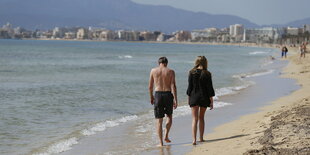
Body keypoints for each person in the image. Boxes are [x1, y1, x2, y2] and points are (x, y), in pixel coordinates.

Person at [148, 57, 178, 147]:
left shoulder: (153, 71)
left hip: (158, 95)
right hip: (168, 95)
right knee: (169, 116)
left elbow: (150, 86)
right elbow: (174, 86)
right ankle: (166, 135)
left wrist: (151, 97)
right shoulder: (171, 71)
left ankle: (161, 143)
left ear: (159, 63)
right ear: (166, 63)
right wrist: (176, 99)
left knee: (159, 120)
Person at [186, 56, 215, 145]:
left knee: (194, 119)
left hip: (194, 97)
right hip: (204, 98)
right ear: (205, 62)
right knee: (201, 118)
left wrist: (189, 98)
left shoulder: (191, 72)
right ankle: (201, 138)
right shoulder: (207, 73)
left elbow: (189, 88)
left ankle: (194, 140)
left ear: (196, 62)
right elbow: (210, 89)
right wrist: (211, 101)